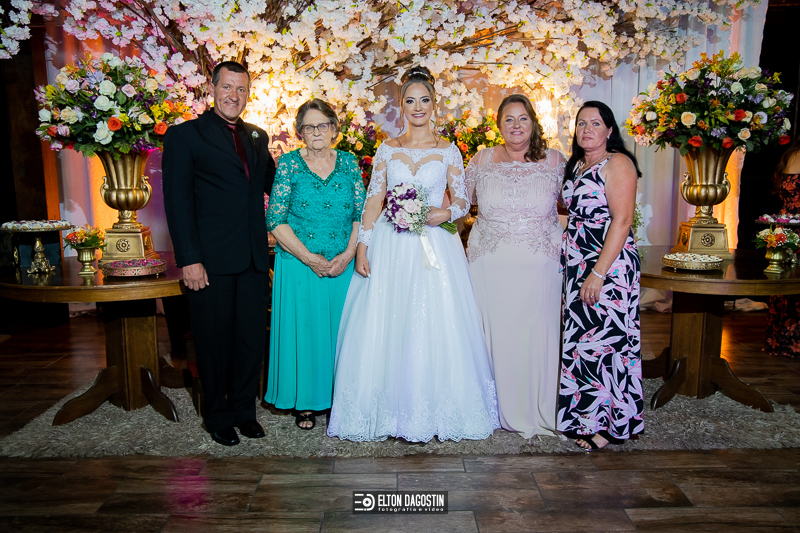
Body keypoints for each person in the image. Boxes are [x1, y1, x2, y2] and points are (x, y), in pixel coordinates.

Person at [327, 66, 500, 442]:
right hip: (391, 244)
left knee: (435, 322)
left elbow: (463, 200)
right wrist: (363, 246)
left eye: (424, 100)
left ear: (434, 104)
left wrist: (444, 213)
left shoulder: (449, 150)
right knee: (388, 321)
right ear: (401, 106)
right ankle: (385, 413)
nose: (418, 107)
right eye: (410, 100)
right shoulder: (387, 149)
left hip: (434, 246)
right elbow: (374, 201)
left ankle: (434, 411)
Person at [162, 61, 276, 446]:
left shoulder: (257, 136)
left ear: (248, 94)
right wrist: (189, 259)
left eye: (241, 89)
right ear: (212, 89)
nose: (234, 95)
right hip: (209, 262)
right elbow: (177, 202)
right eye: (227, 87)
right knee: (212, 342)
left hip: (254, 260)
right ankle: (217, 415)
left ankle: (244, 411)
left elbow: (277, 186)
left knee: (250, 340)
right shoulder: (184, 136)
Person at [465, 94, 565, 439]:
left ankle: (538, 406)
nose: (516, 125)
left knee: (535, 335)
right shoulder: (481, 159)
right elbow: (457, 206)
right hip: (489, 267)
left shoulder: (555, 160)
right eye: (509, 119)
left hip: (540, 269)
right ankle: (491, 408)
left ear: (534, 122)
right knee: (495, 336)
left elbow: (577, 205)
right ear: (499, 126)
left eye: (523, 118)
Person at [265, 99, 365, 430]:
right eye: (309, 127)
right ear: (300, 133)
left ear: (334, 129)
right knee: (306, 333)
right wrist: (309, 258)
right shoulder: (289, 164)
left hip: (342, 264)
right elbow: (275, 218)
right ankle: (306, 402)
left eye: (323, 125)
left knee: (343, 334)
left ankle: (341, 399)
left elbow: (361, 214)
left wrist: (348, 254)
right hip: (299, 264)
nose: (317, 132)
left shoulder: (349, 162)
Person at [557, 100, 643, 451]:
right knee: (582, 344)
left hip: (608, 265)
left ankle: (612, 426)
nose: (587, 129)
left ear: (609, 130)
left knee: (609, 344)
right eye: (581, 123)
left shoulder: (618, 163)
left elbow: (622, 221)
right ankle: (584, 418)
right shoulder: (578, 164)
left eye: (595, 123)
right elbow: (572, 214)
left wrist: (598, 273)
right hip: (577, 263)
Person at [766, 139, 800, 357]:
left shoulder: (790, 155)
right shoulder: (791, 154)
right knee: (787, 283)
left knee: (785, 281)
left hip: (785, 227)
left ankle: (782, 342)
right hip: (789, 230)